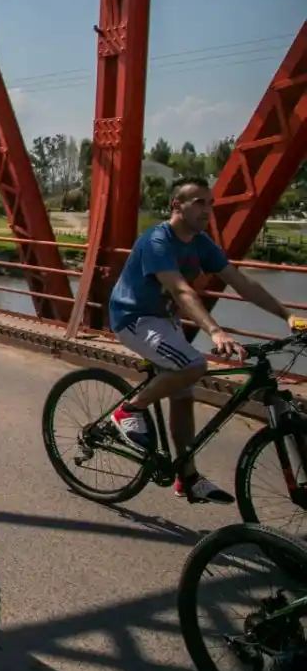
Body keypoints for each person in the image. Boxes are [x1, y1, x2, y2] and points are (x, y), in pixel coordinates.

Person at [108, 176, 299, 503]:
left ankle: (189, 477)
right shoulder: (158, 240)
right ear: (176, 206)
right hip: (134, 319)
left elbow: (241, 282)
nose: (208, 210)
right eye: (199, 202)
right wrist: (215, 330)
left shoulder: (201, 243)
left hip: (163, 320)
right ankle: (128, 410)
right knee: (194, 364)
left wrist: (287, 316)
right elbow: (180, 289)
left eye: (210, 203)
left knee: (183, 393)